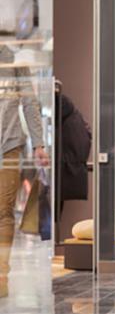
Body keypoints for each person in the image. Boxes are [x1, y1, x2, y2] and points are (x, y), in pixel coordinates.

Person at [0, 45, 49, 298]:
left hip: (8, 145)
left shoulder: (13, 59)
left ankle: (1, 276)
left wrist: (39, 144)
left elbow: (29, 102)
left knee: (3, 211)